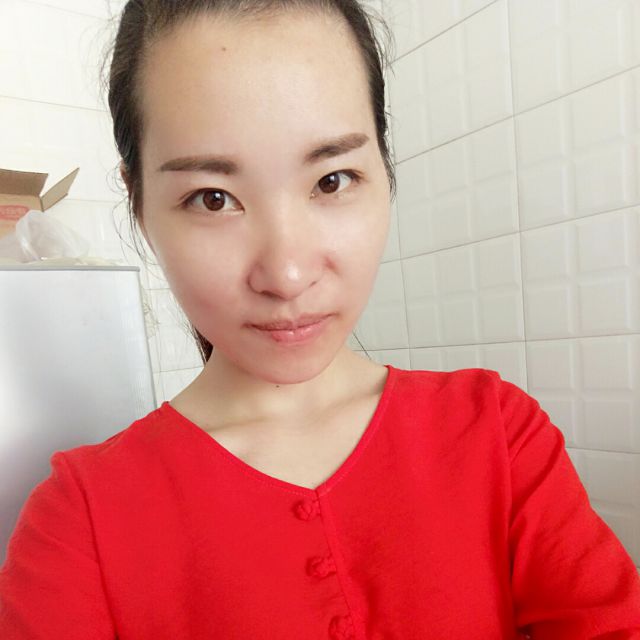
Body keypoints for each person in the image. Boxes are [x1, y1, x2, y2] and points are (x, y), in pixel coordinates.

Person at [1, 0, 639, 637]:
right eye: (212, 198)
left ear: (384, 170)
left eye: (332, 180)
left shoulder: (495, 434)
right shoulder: (78, 522)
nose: (287, 274)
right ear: (140, 205)